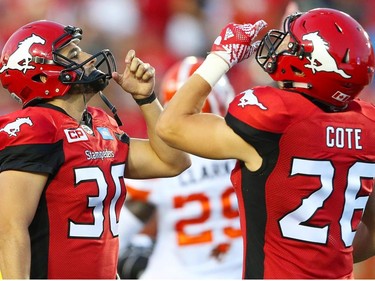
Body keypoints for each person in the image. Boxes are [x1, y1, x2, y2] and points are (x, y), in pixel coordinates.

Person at [156, 7, 375, 279]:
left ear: (313, 64)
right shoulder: (367, 127)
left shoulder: (277, 119)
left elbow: (170, 125)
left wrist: (220, 57)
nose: (282, 45)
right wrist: (321, 257)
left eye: (292, 44)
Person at [0, 20, 190, 279]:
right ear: (42, 75)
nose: (89, 58)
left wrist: (146, 98)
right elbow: (10, 227)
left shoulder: (99, 124)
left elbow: (173, 161)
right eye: (74, 54)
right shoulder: (37, 127)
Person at [117, 56, 242, 279]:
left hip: (177, 274)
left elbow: (120, 231)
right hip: (240, 271)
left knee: (137, 250)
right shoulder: (251, 152)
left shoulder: (167, 161)